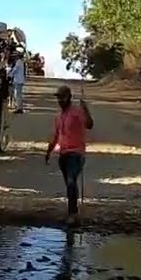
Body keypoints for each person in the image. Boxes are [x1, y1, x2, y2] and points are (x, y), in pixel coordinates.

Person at [45, 84, 94, 227]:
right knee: (69, 184)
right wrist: (49, 151)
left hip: (76, 153)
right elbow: (55, 136)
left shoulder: (77, 112)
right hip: (63, 154)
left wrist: (86, 109)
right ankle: (72, 212)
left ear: (69, 98)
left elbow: (90, 124)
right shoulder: (58, 116)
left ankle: (73, 214)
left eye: (63, 97)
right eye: (58, 98)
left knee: (72, 181)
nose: (60, 100)